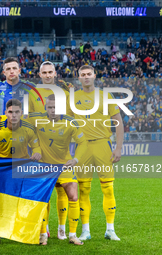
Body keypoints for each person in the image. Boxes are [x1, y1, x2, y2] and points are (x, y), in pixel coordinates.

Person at [0, 99, 42, 245]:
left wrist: (37, 153)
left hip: (21, 170)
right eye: (11, 112)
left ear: (21, 114)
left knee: (21, 202)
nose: (14, 115)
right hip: (1, 170)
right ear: (5, 113)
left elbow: (36, 147)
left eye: (17, 112)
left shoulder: (28, 129)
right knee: (0, 202)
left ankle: (23, 231)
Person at [74, 65, 123, 241]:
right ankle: (85, 230)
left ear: (95, 76)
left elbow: (118, 122)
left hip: (103, 145)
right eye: (82, 74)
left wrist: (117, 148)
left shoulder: (106, 96)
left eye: (89, 74)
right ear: (78, 78)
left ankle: (110, 229)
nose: (86, 77)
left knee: (108, 189)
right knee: (84, 190)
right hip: (83, 147)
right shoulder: (73, 98)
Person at [31, 94, 87, 245]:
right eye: (50, 107)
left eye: (56, 107)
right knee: (43, 200)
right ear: (46, 108)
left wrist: (75, 159)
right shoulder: (36, 119)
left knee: (73, 196)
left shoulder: (71, 122)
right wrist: (0, 119)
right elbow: (15, 118)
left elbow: (83, 142)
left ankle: (72, 235)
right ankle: (43, 235)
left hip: (64, 166)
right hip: (44, 167)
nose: (53, 110)